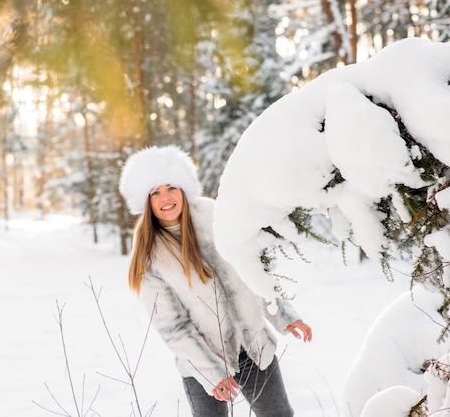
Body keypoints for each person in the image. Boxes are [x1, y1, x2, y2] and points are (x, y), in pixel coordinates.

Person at [119, 145, 312, 417]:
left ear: (184, 188)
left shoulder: (213, 215)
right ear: (146, 201)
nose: (166, 197)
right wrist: (211, 373)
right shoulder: (150, 257)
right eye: (155, 192)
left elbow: (251, 270)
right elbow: (173, 328)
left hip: (254, 347)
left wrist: (285, 315)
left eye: (171, 187)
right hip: (202, 360)